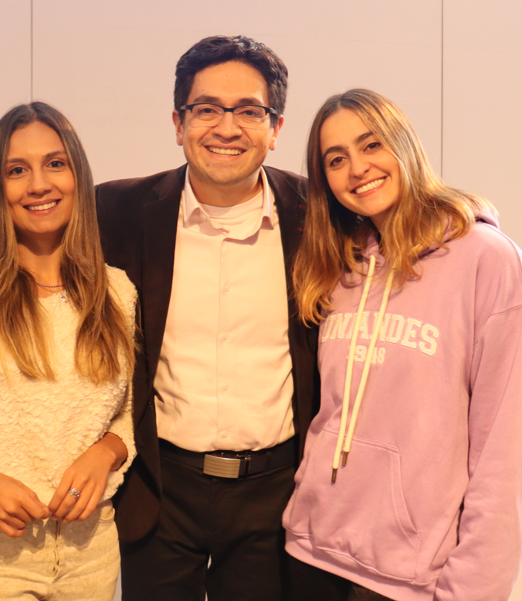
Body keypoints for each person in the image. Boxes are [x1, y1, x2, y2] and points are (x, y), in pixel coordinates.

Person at [283, 88, 522, 601]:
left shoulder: (488, 260)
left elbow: (515, 446)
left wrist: (473, 589)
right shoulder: (343, 270)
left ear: (404, 146)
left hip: (409, 580)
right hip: (311, 555)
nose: (357, 169)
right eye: (336, 159)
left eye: (372, 146)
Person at [96, 35, 321, 600]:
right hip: (160, 487)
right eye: (207, 109)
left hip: (276, 492)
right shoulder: (115, 213)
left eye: (248, 111)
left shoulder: (319, 215)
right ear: (178, 122)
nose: (227, 127)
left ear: (276, 127)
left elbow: (403, 214)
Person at [0, 101, 137, 601]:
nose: (38, 184)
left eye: (55, 164)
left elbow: (130, 414)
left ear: (77, 175)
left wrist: (105, 453)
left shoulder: (117, 292)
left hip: (91, 551)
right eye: (17, 170)